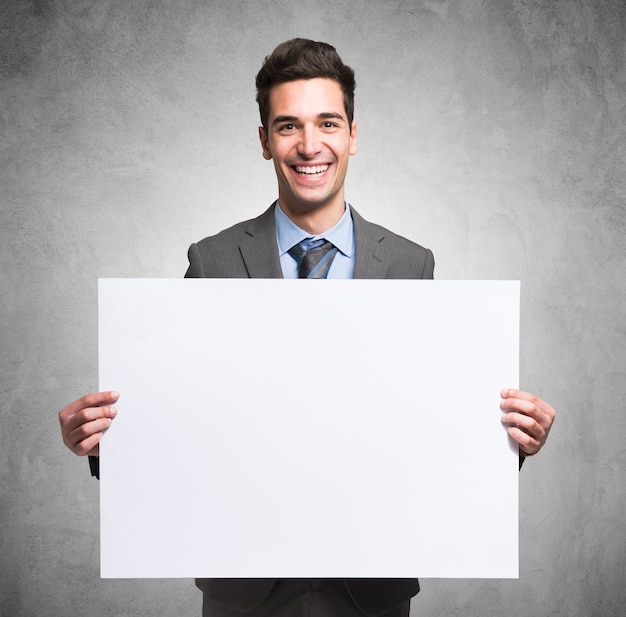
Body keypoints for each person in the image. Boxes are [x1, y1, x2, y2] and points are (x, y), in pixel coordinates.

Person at [58, 38, 556, 617]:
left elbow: (425, 422)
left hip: (371, 585)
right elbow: (184, 418)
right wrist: (102, 445)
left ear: (353, 135)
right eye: (288, 126)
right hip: (245, 586)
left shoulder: (410, 265)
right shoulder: (212, 261)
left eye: (328, 123)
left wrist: (509, 442)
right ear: (265, 141)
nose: (310, 144)